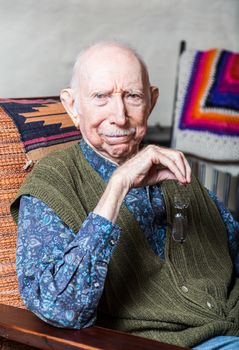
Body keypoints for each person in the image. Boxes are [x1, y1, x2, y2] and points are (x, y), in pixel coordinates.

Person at [11, 41, 239, 349]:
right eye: (101, 97)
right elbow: (61, 308)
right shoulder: (53, 182)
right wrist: (118, 185)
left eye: (132, 96)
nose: (119, 116)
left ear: (151, 101)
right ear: (72, 106)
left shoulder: (173, 168)